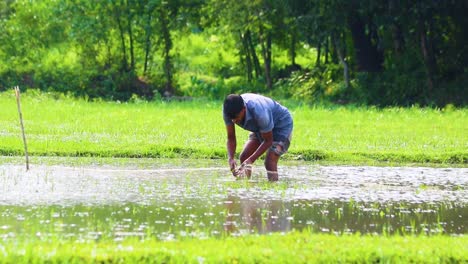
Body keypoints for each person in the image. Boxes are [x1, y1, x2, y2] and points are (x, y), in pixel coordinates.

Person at [222, 93, 293, 181]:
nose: (234, 121)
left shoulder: (260, 112)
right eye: (231, 118)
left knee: (270, 162)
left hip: (281, 125)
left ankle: (273, 189)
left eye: (236, 117)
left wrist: (251, 160)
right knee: (244, 157)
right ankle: (245, 188)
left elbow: (268, 141)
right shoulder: (228, 111)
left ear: (243, 109)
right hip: (260, 127)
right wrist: (231, 158)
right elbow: (231, 137)